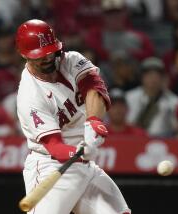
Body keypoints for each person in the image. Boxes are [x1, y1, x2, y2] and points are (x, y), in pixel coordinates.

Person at [16, 19, 131, 214]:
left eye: (49, 51)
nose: (47, 58)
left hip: (84, 166)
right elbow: (54, 146)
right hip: (50, 166)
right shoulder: (30, 95)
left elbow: (93, 88)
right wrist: (78, 152)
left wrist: (93, 121)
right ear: (25, 56)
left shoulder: (71, 60)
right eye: (40, 56)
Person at [126, 57, 178, 137]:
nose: (153, 78)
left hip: (162, 140)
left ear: (163, 78)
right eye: (149, 74)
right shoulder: (129, 97)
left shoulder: (174, 101)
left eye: (157, 75)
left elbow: (177, 128)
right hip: (133, 139)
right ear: (142, 77)